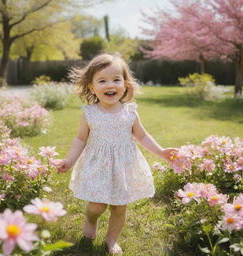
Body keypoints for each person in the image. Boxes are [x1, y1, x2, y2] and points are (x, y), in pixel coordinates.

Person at [57, 53, 177, 255]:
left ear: (126, 84)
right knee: (96, 205)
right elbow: (80, 139)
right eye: (102, 80)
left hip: (123, 167)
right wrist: (69, 160)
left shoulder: (130, 112)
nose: (109, 85)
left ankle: (111, 239)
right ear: (91, 87)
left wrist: (162, 152)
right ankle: (91, 220)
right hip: (98, 165)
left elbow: (143, 136)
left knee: (119, 207)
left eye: (116, 79)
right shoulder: (90, 113)